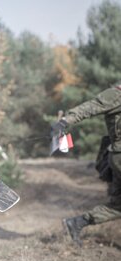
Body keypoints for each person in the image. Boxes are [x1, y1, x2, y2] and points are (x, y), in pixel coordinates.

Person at [51, 83, 121, 245]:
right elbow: (91, 106)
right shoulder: (117, 94)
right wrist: (65, 121)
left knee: (118, 206)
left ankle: (76, 222)